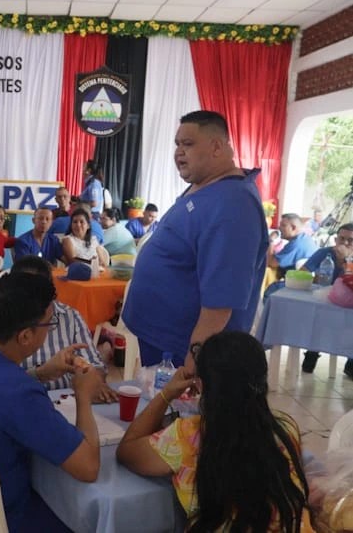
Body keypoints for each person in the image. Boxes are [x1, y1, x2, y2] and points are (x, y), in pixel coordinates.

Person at [0, 271, 102, 532]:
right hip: (1, 516)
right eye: (49, 324)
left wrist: (41, 373)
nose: (51, 329)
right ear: (25, 336)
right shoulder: (21, 395)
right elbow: (88, 467)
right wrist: (83, 395)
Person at [117, 331, 310, 532]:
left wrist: (167, 394)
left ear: (200, 384)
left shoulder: (189, 436)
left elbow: (127, 449)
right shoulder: (286, 428)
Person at [122, 110, 268, 370]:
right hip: (162, 339)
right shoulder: (206, 187)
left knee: (179, 399)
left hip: (185, 348)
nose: (179, 152)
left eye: (188, 144)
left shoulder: (234, 204)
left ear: (217, 147)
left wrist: (196, 357)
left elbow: (222, 298)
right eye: (177, 144)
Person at [13, 256, 118, 402]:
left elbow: (94, 364)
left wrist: (94, 382)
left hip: (66, 399)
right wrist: (40, 373)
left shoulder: (69, 316)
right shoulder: (6, 321)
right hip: (21, 399)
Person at [300, 222, 353, 376]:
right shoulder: (324, 253)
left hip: (348, 305)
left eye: (350, 240)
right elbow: (302, 272)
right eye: (341, 239)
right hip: (324, 301)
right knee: (317, 317)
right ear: (335, 239)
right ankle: (311, 355)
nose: (345, 243)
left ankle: (350, 364)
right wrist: (313, 278)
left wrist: (346, 260)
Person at [268, 213, 318, 278]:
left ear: (293, 228)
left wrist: (270, 240)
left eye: (283, 225)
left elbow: (271, 262)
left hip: (297, 281)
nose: (279, 228)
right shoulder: (305, 238)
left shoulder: (295, 244)